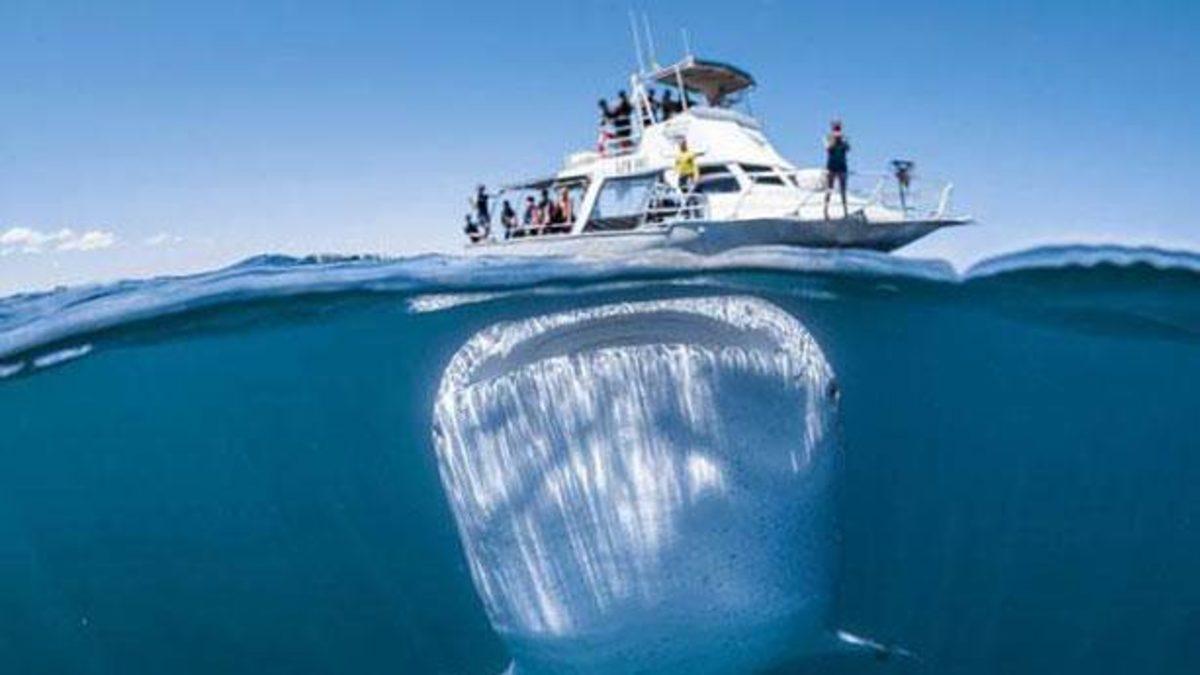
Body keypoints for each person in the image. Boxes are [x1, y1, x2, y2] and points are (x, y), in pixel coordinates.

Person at [824, 121, 850, 220]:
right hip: (831, 167)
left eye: (838, 128)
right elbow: (828, 148)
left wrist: (843, 141)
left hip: (842, 167)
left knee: (843, 190)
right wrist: (834, 140)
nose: (837, 130)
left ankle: (845, 211)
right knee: (829, 189)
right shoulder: (828, 138)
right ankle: (825, 210)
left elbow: (848, 148)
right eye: (835, 128)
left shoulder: (844, 139)